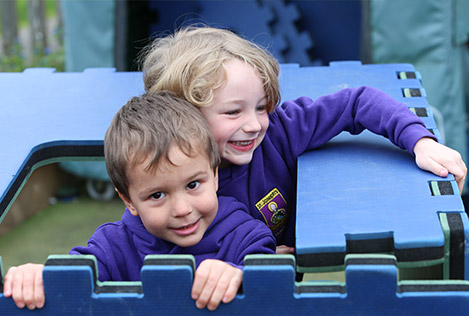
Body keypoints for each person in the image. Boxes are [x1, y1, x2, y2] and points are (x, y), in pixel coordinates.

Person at [142, 26, 467, 253]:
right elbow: (152, 258)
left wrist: (420, 141)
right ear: (184, 117)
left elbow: (356, 102)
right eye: (233, 113)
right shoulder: (166, 183)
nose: (254, 125)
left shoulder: (278, 132)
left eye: (261, 107)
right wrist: (249, 264)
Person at [3, 91, 276, 311]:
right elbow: (76, 275)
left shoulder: (246, 235)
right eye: (157, 195)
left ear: (215, 176)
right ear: (128, 200)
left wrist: (238, 273)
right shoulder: (113, 247)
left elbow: (270, 277)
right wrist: (39, 276)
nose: (182, 210)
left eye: (193, 185)